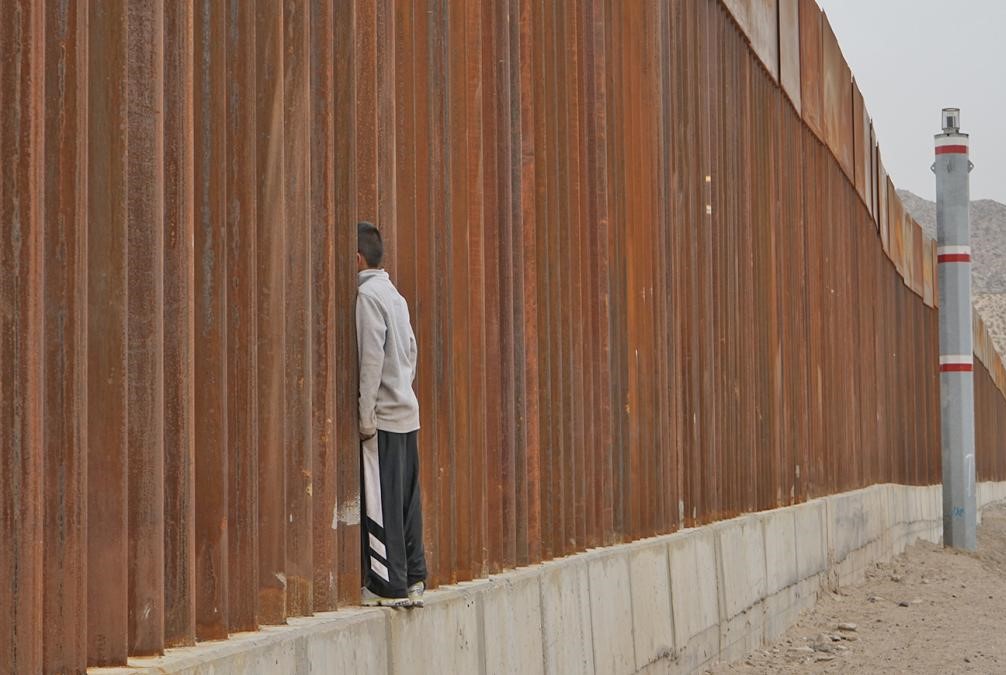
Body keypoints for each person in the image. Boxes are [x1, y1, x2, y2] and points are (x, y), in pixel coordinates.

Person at [356, 221, 427, 608]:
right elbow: (411, 351)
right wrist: (403, 389)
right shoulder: (395, 295)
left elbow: (370, 358)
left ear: (356, 258)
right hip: (407, 410)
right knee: (407, 501)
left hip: (383, 415)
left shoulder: (367, 295)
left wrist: (366, 416)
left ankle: (388, 586)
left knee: (382, 499)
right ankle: (415, 576)